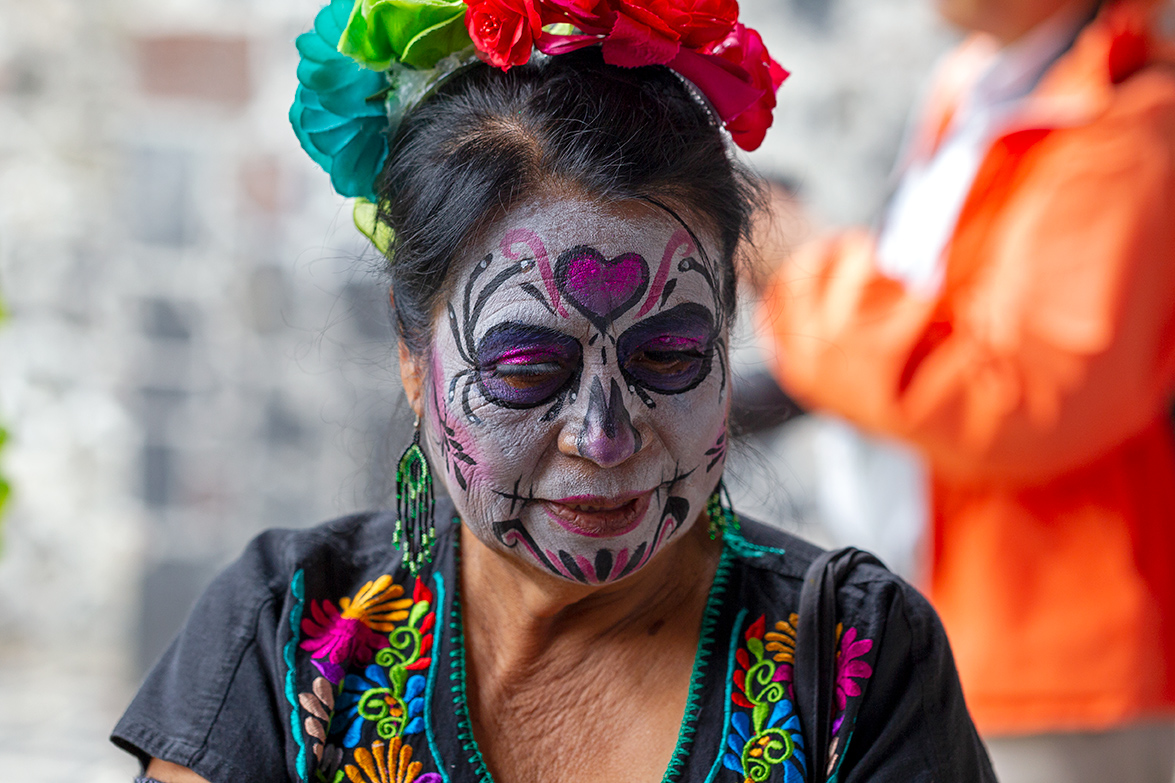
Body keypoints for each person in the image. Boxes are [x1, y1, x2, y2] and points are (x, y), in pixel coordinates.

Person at [110, 1, 997, 781]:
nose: (603, 437)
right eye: (528, 370)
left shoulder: (853, 659)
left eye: (669, 357)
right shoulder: (283, 632)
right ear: (413, 354)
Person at [758, 0, 1175, 780]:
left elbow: (1018, 397)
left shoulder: (1130, 121)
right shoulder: (976, 83)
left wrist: (805, 276)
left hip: (1056, 664)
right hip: (936, 617)